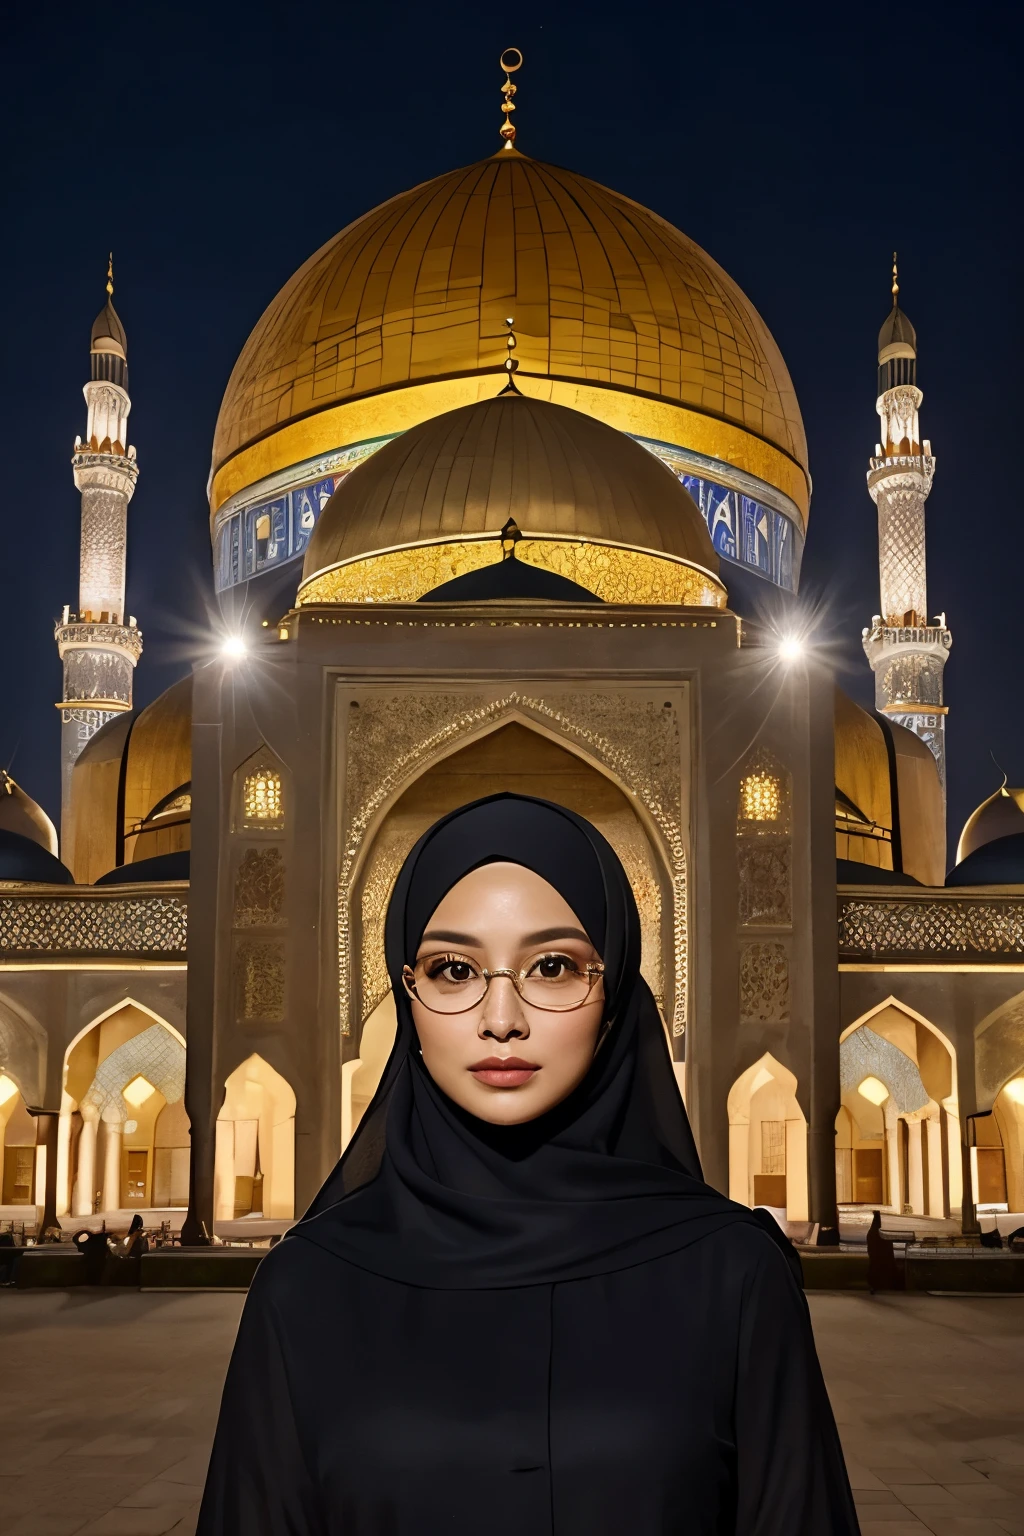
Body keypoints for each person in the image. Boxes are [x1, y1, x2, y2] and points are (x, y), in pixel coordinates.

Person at [198, 793, 859, 1535]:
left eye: (552, 966)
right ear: (404, 990)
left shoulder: (732, 1275)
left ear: (613, 991)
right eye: (453, 969)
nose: (501, 1019)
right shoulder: (309, 1288)